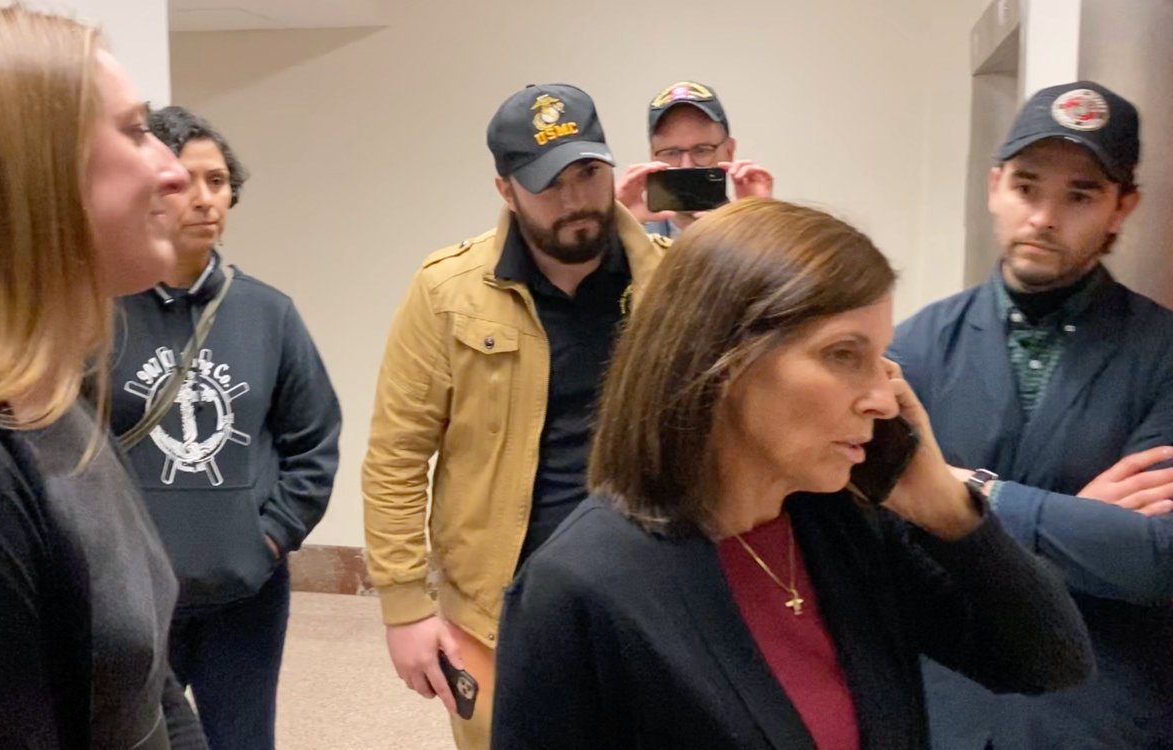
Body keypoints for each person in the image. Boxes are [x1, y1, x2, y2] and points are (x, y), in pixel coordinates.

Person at [491, 198, 1093, 750]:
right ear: (723, 360)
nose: (883, 398)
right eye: (843, 354)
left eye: (880, 359)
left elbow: (1050, 661)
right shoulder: (579, 588)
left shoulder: (842, 524)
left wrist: (944, 504)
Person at [361, 83, 667, 749]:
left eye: (588, 174)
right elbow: (396, 457)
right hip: (496, 606)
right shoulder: (446, 292)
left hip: (649, 592)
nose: (575, 200)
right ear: (505, 191)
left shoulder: (673, 282)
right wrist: (404, 607)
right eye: (548, 184)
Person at [890, 81, 1173, 748]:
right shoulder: (917, 347)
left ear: (1122, 207)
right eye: (1026, 186)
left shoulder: (1163, 355)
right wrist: (1083, 522)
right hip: (946, 714)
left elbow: (1156, 559)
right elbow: (883, 530)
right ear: (995, 186)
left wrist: (970, 494)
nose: (1044, 217)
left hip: (1101, 718)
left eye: (1080, 195)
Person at [0, 4, 208, 748]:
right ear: (32, 175)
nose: (174, 171)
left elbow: (147, 680)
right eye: (135, 132)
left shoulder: (54, 400)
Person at [107, 105, 341, 750]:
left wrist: (268, 537)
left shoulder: (268, 314)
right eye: (187, 181)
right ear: (150, 190)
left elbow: (313, 441)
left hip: (245, 593)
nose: (206, 199)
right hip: (134, 598)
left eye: (218, 181)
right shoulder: (95, 312)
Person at [616, 80, 773, 238]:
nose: (686, 165)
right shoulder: (634, 235)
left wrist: (761, 226)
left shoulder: (752, 229)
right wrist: (617, 225)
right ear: (653, 157)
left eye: (702, 150)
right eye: (671, 153)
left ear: (729, 151)